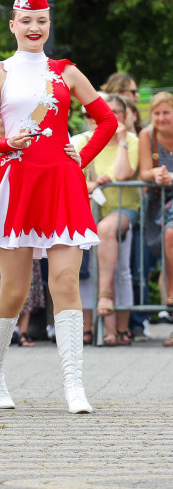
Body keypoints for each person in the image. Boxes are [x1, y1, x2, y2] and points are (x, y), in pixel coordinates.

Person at [0, 0, 116, 414]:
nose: (34, 27)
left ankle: (73, 384)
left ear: (49, 25)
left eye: (41, 21)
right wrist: (9, 141)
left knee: (65, 281)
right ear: (12, 24)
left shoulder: (66, 71)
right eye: (26, 20)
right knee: (15, 288)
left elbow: (106, 121)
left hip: (62, 182)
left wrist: (81, 152)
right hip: (17, 184)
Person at [0, 128, 46, 346]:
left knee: (28, 276)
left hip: (26, 210)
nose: (0, 122)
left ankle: (23, 330)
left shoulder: (30, 139)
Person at [74, 93, 138, 345]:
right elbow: (71, 173)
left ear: (125, 115)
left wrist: (120, 138)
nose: (109, 115)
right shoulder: (84, 141)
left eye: (115, 111)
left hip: (123, 210)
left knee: (122, 268)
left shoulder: (132, 141)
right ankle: (90, 329)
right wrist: (92, 184)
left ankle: (118, 328)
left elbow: (122, 174)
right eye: (104, 111)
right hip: (87, 211)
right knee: (87, 270)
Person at [136, 91, 173, 345]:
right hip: (158, 203)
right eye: (157, 113)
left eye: (166, 113)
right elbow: (144, 171)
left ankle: (170, 295)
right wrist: (157, 176)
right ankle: (169, 299)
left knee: (171, 235)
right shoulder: (146, 136)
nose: (161, 118)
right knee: (166, 242)